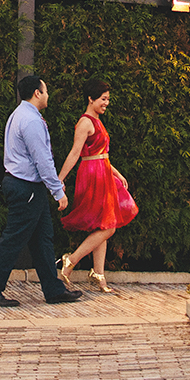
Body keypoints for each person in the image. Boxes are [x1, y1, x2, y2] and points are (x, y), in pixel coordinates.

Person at [0, 75, 85, 307]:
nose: (48, 95)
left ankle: (54, 290)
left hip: (25, 186)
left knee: (42, 239)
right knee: (13, 239)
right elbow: (42, 160)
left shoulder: (19, 115)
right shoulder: (31, 120)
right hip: (27, 188)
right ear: (37, 93)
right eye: (45, 91)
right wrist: (58, 191)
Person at [55, 79, 138, 293]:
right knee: (108, 226)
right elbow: (75, 153)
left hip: (103, 172)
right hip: (92, 176)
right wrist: (60, 179)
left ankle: (98, 275)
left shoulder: (98, 121)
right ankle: (70, 261)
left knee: (103, 224)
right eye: (103, 99)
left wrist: (117, 174)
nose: (106, 103)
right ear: (90, 99)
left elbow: (102, 153)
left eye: (108, 99)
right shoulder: (85, 123)